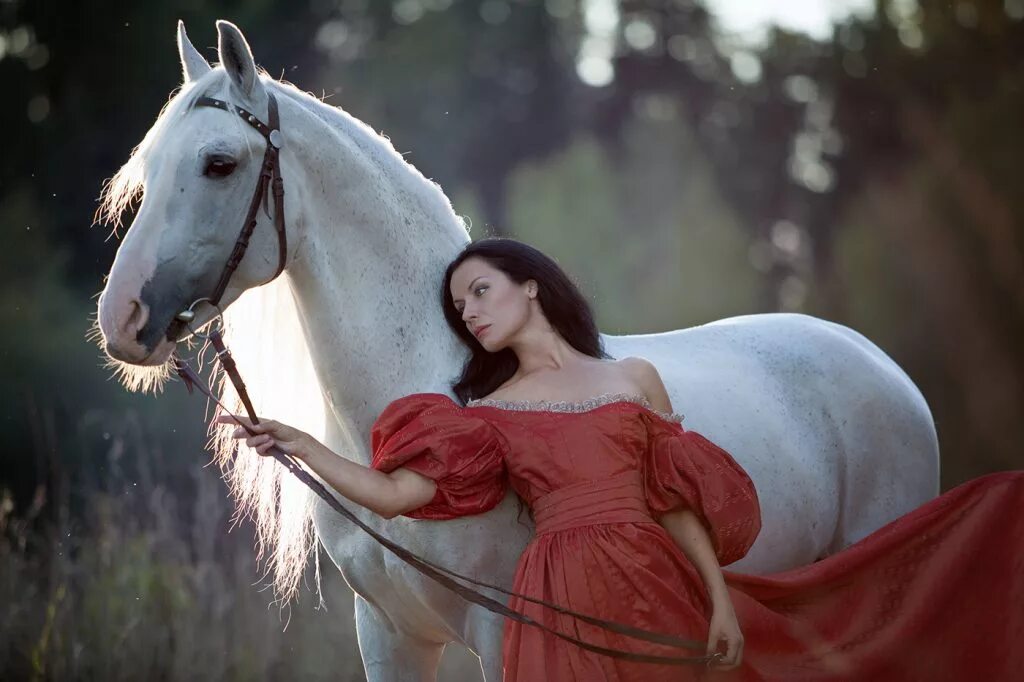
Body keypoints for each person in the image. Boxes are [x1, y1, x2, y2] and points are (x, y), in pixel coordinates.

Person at [215, 238, 1024, 681]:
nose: (471, 312)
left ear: (530, 286)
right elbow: (397, 496)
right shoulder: (486, 415)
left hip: (651, 581)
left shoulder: (633, 378)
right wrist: (301, 442)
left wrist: (716, 602)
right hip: (558, 597)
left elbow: (674, 499)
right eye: (461, 306)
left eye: (482, 291)